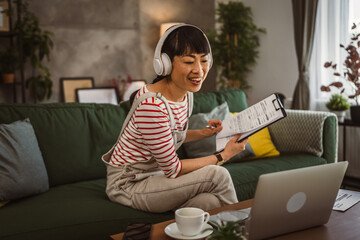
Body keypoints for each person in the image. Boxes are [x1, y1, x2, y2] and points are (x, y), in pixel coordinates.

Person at [102, 24, 248, 213]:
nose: (199, 70)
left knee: (208, 202)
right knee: (217, 175)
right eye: (189, 62)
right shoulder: (152, 105)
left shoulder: (186, 94)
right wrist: (224, 155)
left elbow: (167, 135)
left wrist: (203, 133)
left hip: (157, 176)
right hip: (130, 185)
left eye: (204, 60)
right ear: (165, 63)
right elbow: (173, 169)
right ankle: (242, 231)